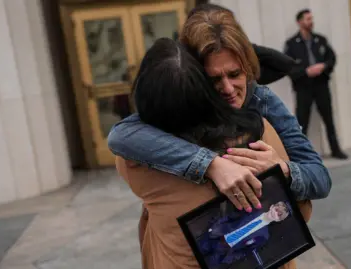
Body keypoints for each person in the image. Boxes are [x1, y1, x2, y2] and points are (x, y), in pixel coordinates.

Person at [108, 6, 331, 213]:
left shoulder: (261, 99)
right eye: (214, 79)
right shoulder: (185, 101)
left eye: (235, 74)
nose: (227, 88)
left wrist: (282, 169)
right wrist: (212, 165)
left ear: (249, 68)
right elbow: (121, 135)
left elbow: (320, 178)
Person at [116, 37, 308, 269]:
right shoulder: (257, 132)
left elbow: (122, 137)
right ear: (204, 89)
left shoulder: (136, 163)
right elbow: (302, 213)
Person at [284, 9, 348, 160]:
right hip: (303, 88)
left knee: (329, 119)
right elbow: (288, 67)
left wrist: (323, 67)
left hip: (321, 86)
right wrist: (305, 71)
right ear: (299, 22)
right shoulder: (292, 44)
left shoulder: (321, 40)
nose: (310, 22)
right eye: (307, 19)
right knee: (301, 122)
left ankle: (336, 150)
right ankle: (299, 155)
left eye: (311, 19)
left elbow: (331, 59)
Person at [198, 201, 291, 267]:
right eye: (276, 209)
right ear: (272, 206)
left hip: (224, 251)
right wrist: (215, 226)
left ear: (279, 220)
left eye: (279, 215)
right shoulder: (252, 209)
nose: (275, 214)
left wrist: (231, 258)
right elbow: (231, 217)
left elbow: (246, 251)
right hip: (215, 236)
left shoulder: (264, 236)